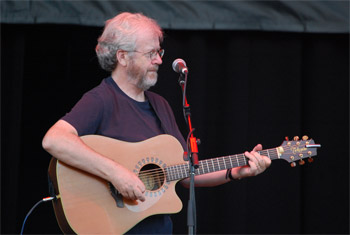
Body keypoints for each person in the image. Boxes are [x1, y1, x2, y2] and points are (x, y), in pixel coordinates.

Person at [42, 12, 271, 234]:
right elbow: (54, 139)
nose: (159, 60)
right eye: (151, 53)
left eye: (159, 51)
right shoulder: (101, 99)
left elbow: (187, 172)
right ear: (122, 57)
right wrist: (116, 173)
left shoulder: (160, 105)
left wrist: (237, 171)